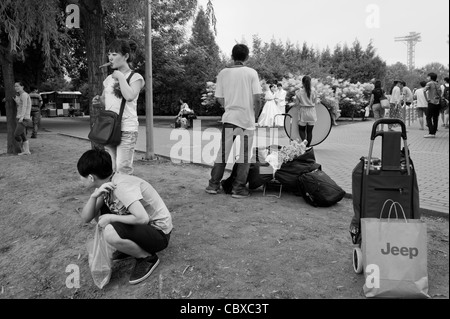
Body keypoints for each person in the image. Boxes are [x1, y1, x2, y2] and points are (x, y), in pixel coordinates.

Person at [77, 149, 173, 285]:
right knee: (100, 213)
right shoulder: (106, 185)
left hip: (159, 234)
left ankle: (147, 258)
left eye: (81, 176)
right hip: (145, 229)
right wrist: (94, 196)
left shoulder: (120, 187)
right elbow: (86, 218)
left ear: (91, 178)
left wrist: (111, 218)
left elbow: (142, 218)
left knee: (109, 232)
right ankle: (130, 247)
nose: (80, 179)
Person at [205, 44, 262, 199]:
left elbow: (219, 98)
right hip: (246, 120)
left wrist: (227, 107)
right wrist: (255, 115)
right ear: (247, 56)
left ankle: (213, 185)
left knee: (222, 153)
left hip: (230, 118)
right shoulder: (251, 73)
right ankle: (238, 189)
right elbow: (257, 98)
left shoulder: (223, 73)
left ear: (232, 56)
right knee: (244, 156)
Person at [96, 39, 145, 175]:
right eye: (109, 54)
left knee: (122, 169)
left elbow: (130, 96)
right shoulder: (108, 80)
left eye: (114, 54)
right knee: (111, 169)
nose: (110, 58)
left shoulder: (136, 77)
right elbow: (106, 102)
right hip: (109, 128)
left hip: (127, 129)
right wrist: (98, 101)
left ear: (126, 56)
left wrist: (121, 77)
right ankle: (113, 196)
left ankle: (125, 196)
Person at [295, 75, 318, 147]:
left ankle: (304, 141)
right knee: (309, 131)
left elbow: (297, 104)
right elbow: (316, 102)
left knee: (301, 130)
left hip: (303, 112)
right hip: (312, 112)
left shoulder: (299, 92)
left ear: (302, 83)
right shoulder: (314, 91)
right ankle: (308, 147)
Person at [14, 81, 33, 156]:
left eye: (18, 86)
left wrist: (22, 117)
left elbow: (25, 106)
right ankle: (27, 151)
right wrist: (16, 100)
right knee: (23, 135)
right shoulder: (21, 95)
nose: (16, 88)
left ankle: (23, 148)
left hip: (24, 118)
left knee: (16, 135)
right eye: (15, 86)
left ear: (22, 87)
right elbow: (20, 105)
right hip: (20, 117)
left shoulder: (24, 95)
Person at [423, 72, 442, 138]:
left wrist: (426, 99)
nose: (427, 78)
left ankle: (431, 132)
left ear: (430, 77)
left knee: (428, 117)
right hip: (438, 102)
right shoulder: (437, 84)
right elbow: (440, 93)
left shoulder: (429, 83)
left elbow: (424, 90)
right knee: (435, 118)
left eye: (428, 76)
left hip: (431, 102)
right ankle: (433, 132)